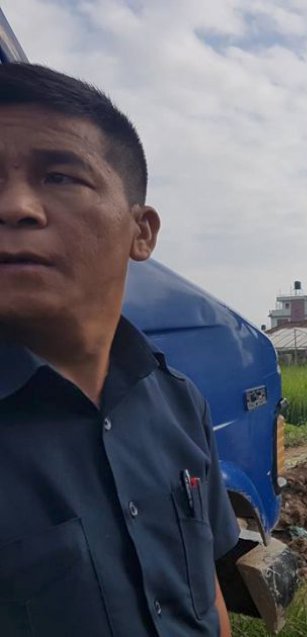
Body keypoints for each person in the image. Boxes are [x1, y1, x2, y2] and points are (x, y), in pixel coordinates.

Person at [0, 64, 238, 636]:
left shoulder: (179, 402)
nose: (15, 207)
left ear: (142, 232)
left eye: (58, 176)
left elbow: (207, 595)